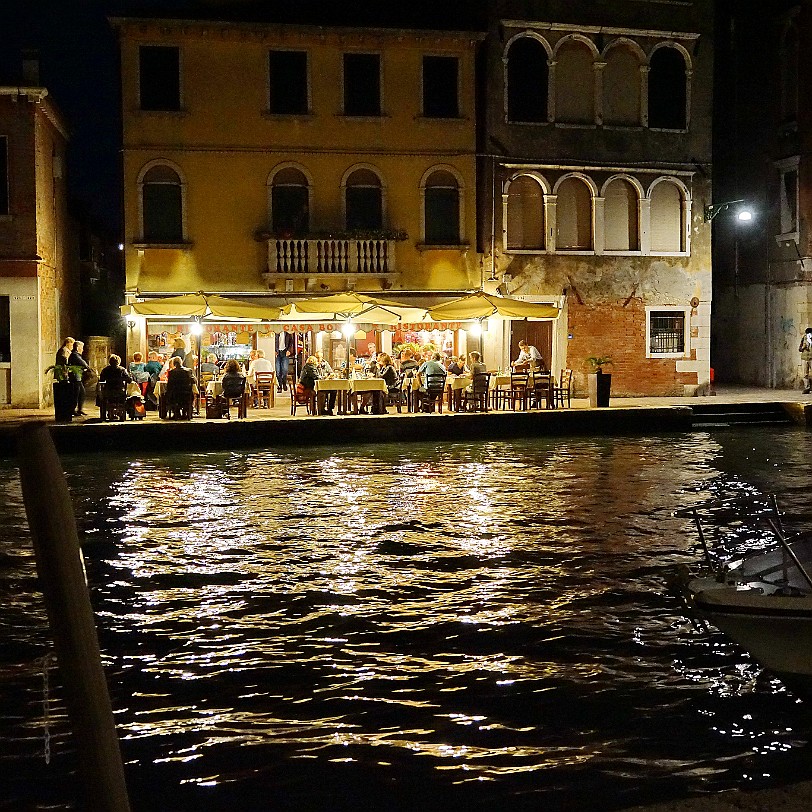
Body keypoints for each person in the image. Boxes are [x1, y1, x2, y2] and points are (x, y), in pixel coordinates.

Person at [68, 339, 91, 416]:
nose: (83, 349)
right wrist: (86, 367)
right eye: (82, 347)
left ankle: (79, 409)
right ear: (78, 348)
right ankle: (73, 410)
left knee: (81, 393)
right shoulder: (75, 355)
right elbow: (84, 364)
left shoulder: (76, 355)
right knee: (76, 394)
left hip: (77, 377)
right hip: (75, 377)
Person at [800, 327, 812, 394]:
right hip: (804, 358)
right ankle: (807, 387)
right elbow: (800, 349)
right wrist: (804, 347)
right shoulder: (803, 339)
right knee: (805, 374)